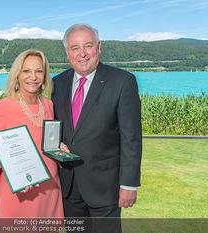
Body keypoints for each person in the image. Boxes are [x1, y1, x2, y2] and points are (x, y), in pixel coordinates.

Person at [51, 24, 142, 232]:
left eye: (88, 45)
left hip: (105, 187)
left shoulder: (122, 81)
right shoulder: (58, 83)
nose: (82, 53)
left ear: (99, 47)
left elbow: (131, 138)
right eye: (75, 48)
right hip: (68, 187)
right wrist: (56, 143)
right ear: (67, 53)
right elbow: (56, 127)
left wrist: (128, 184)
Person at [0, 50, 64, 219]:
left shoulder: (48, 105)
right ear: (17, 74)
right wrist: (17, 177)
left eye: (38, 71)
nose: (33, 77)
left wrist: (59, 146)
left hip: (50, 184)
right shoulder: (3, 107)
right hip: (21, 188)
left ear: (45, 75)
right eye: (26, 71)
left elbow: (48, 141)